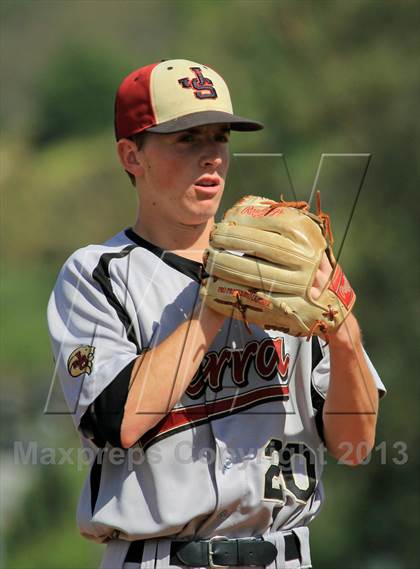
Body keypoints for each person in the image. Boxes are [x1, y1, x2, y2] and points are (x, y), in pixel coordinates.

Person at [47, 59, 385, 569]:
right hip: (160, 557)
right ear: (130, 155)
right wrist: (212, 307)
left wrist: (344, 336)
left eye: (220, 137)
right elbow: (115, 420)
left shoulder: (284, 261)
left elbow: (356, 445)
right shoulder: (97, 275)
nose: (211, 157)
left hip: (285, 556)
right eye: (186, 139)